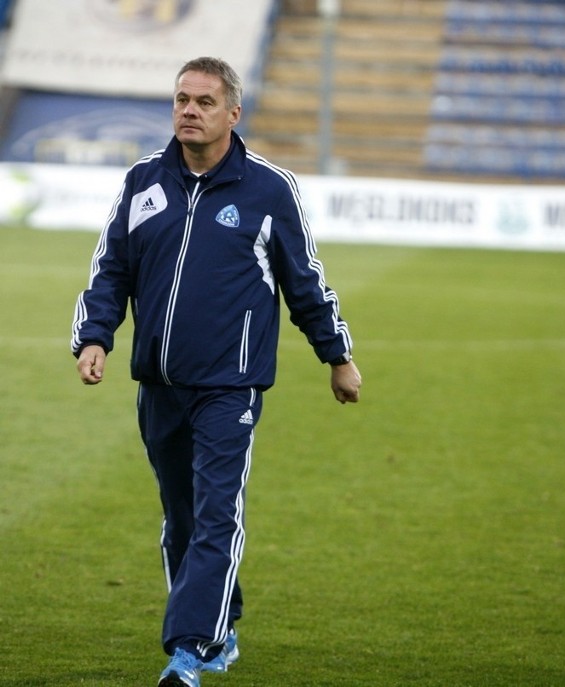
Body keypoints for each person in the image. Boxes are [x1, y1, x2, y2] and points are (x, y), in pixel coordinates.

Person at [70, 56, 362, 687]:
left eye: (204, 102)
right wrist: (94, 338)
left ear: (233, 113)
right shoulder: (143, 181)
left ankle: (189, 650)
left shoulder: (268, 190)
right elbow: (111, 270)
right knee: (181, 517)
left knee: (215, 515)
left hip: (230, 386)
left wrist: (336, 356)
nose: (189, 111)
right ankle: (220, 627)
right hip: (159, 384)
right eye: (181, 99)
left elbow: (304, 282)